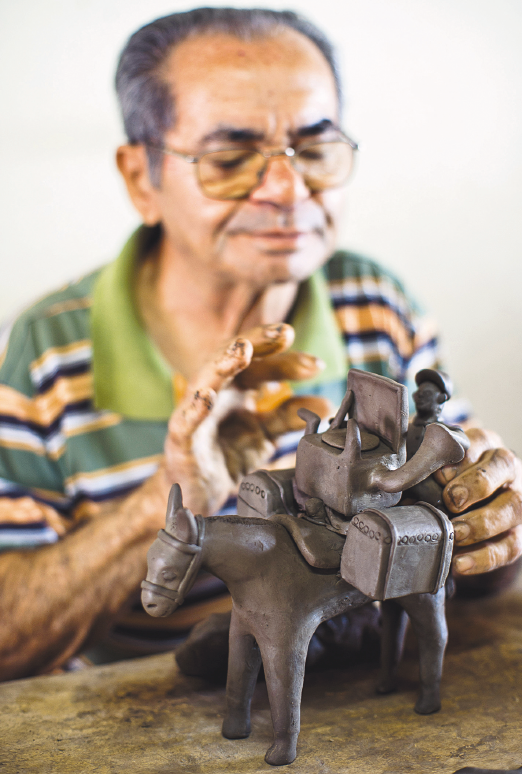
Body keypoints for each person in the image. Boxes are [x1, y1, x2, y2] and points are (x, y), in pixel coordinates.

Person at [0, 8, 521, 682]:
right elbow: (9, 640)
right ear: (140, 178)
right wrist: (170, 497)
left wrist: (487, 519)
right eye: (229, 159)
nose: (288, 189)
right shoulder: (50, 348)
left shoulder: (375, 302)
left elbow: (470, 576)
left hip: (356, 686)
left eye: (316, 149)